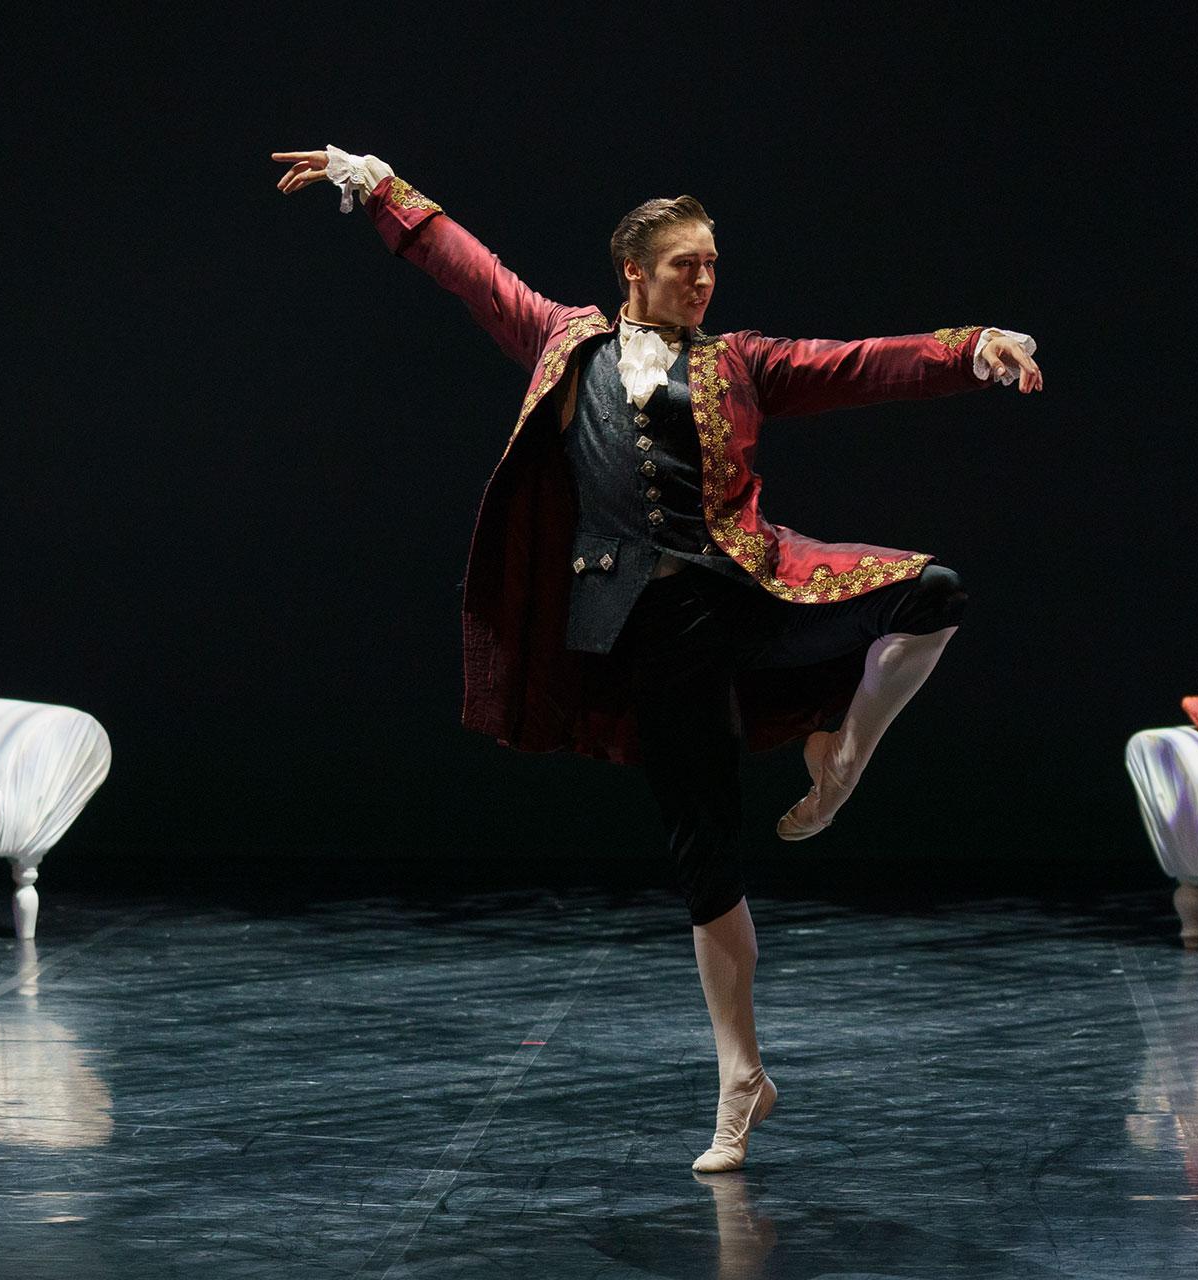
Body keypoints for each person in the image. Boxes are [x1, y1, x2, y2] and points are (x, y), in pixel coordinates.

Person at [272, 146, 1041, 1172]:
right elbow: (468, 267)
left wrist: (972, 346)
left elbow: (860, 363)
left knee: (932, 589)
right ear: (632, 272)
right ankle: (741, 1075)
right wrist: (372, 182)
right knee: (705, 856)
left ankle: (841, 752)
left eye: (713, 265)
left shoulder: (741, 364)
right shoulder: (566, 343)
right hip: (648, 630)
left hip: (750, 593)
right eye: (685, 265)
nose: (704, 281)